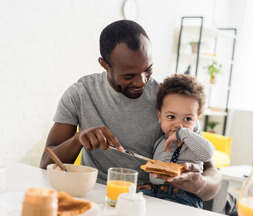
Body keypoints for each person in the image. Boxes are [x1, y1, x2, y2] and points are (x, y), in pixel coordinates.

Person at [40, 19, 221, 201]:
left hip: (152, 200)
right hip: (98, 196)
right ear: (104, 65)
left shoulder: (170, 101)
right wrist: (78, 139)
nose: (142, 81)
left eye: (148, 70)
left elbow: (212, 178)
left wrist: (199, 184)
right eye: (129, 75)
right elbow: (45, 166)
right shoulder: (80, 94)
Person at [137, 74, 215, 208]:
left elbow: (208, 153)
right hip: (156, 193)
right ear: (160, 116)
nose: (179, 125)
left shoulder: (193, 140)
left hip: (184, 198)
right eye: (171, 117)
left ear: (197, 120)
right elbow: (155, 176)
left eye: (188, 119)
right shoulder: (160, 141)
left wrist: (183, 133)